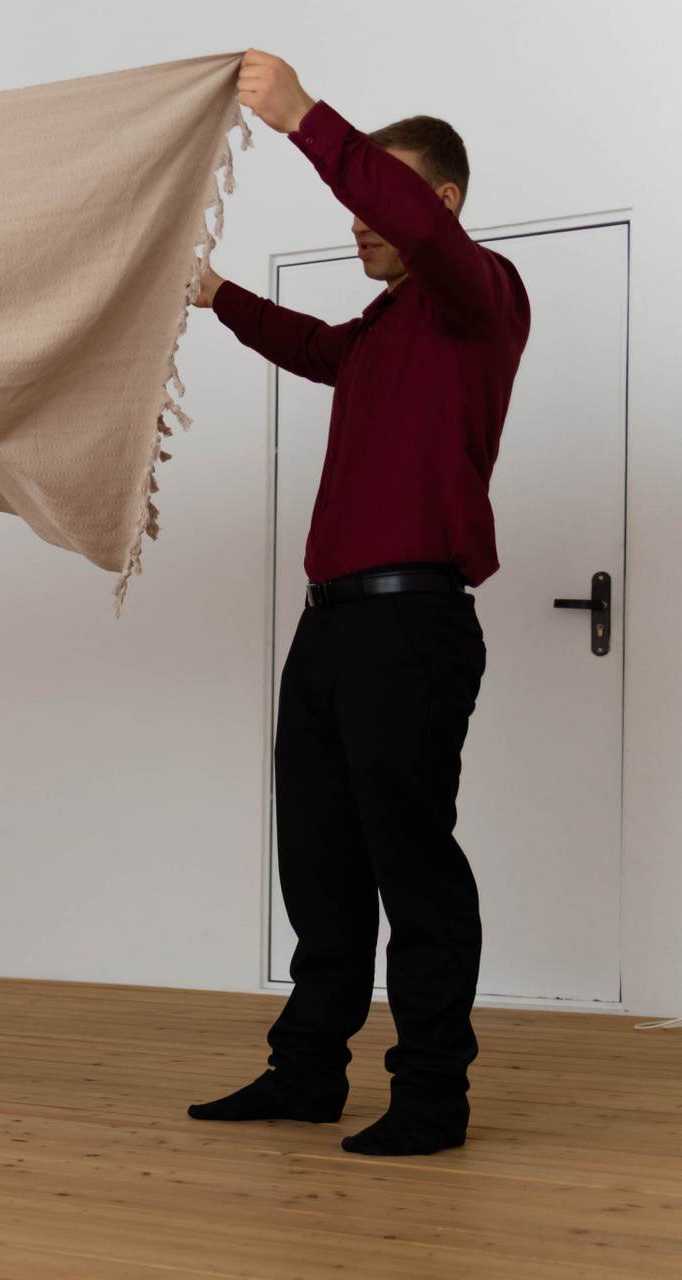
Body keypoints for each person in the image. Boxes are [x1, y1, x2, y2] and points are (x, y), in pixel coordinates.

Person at [187, 51, 529, 1156]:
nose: (356, 224)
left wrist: (304, 119)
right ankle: (306, 1074)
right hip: (332, 625)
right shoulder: (386, 330)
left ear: (443, 202)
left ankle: (431, 1096)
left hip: (411, 625)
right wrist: (218, 296)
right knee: (321, 862)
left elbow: (415, 230)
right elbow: (314, 346)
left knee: (412, 865)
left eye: (380, 201)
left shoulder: (482, 294)